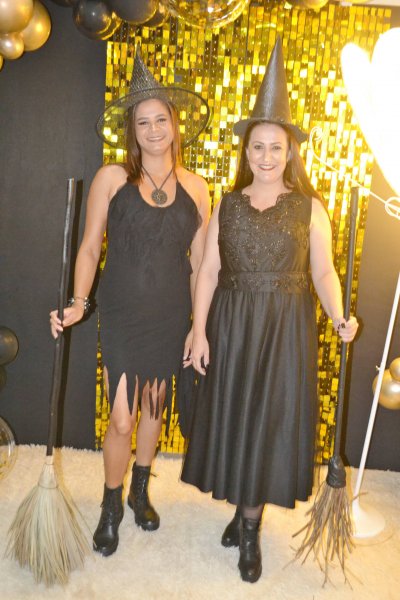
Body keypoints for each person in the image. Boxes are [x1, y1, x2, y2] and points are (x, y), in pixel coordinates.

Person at [180, 37, 358, 584]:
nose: (265, 156)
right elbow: (208, 271)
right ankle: (244, 512)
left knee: (267, 420)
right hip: (232, 326)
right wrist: (199, 331)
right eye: (256, 147)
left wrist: (338, 315)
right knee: (237, 416)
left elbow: (324, 272)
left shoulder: (310, 208)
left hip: (284, 329)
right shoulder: (227, 205)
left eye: (275, 147)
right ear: (246, 152)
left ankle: (250, 527)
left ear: (290, 152)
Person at [50, 45, 210, 557]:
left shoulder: (197, 188)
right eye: (143, 122)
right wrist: (79, 301)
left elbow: (201, 266)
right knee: (122, 417)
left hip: (169, 316)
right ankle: (111, 503)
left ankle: (140, 488)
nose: (153, 129)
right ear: (132, 130)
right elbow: (89, 246)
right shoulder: (112, 178)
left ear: (175, 124)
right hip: (121, 314)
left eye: (161, 119)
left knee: (153, 408)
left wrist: (199, 327)